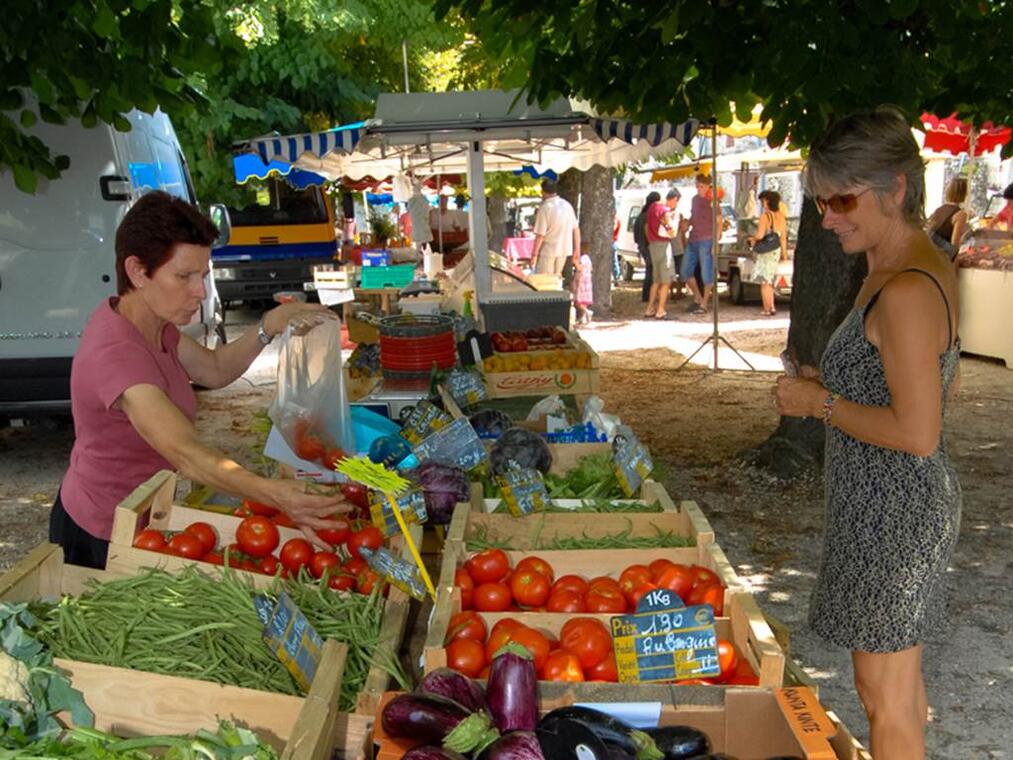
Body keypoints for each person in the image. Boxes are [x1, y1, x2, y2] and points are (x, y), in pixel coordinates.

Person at [774, 107, 960, 760]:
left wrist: (817, 401)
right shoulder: (902, 266)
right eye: (822, 201)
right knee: (895, 690)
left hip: (896, 511)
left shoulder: (905, 287)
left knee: (884, 695)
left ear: (896, 189)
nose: (826, 218)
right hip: (884, 505)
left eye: (840, 199)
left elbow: (918, 433)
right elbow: (919, 385)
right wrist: (827, 385)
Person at [54, 191, 350, 569]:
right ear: (138, 272)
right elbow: (185, 453)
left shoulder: (154, 326)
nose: (201, 291)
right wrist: (273, 493)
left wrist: (267, 327)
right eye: (184, 276)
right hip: (98, 531)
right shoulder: (117, 354)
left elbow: (213, 369)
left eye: (204, 275)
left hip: (145, 513)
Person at [683, 173, 721, 314]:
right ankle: (698, 298)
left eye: (701, 186)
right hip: (694, 238)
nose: (698, 189)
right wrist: (688, 223)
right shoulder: (694, 200)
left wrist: (715, 243)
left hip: (707, 239)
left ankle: (704, 303)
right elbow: (694, 217)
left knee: (707, 273)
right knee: (685, 271)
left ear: (708, 187)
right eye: (697, 186)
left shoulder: (713, 201)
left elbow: (719, 222)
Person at [747, 189, 788, 316]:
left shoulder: (765, 216)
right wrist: (784, 254)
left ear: (767, 201)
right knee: (770, 280)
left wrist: (751, 239)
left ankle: (766, 308)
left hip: (766, 251)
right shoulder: (781, 216)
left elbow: (760, 235)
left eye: (762, 201)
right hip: (776, 250)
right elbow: (783, 237)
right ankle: (772, 306)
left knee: (764, 282)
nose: (761, 203)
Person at [530, 178, 580, 275]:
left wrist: (534, 255)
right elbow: (576, 229)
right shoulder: (567, 205)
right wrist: (577, 250)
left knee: (544, 282)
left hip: (548, 250)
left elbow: (540, 235)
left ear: (543, 191)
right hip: (564, 250)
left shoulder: (545, 207)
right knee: (556, 280)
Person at [643, 191, 677, 319]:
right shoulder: (665, 210)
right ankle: (660, 310)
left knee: (656, 280)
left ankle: (649, 308)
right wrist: (672, 231)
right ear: (673, 199)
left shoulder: (652, 208)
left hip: (653, 245)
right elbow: (667, 224)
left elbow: (646, 226)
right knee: (666, 280)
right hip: (663, 245)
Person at [925, 177, 969, 259]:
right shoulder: (961, 214)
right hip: (939, 258)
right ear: (964, 193)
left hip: (927, 253)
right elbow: (953, 246)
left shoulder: (938, 210)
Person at [633, 192, 659, 303]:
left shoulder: (640, 216)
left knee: (650, 270)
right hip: (649, 246)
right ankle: (647, 295)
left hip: (642, 246)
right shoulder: (648, 216)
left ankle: (647, 295)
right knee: (651, 271)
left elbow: (635, 236)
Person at [572, 242, 594, 325]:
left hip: (581, 280)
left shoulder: (582, 259)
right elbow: (591, 269)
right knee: (584, 300)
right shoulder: (588, 259)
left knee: (578, 300)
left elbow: (579, 269)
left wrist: (575, 279)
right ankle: (583, 318)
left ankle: (587, 312)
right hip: (588, 280)